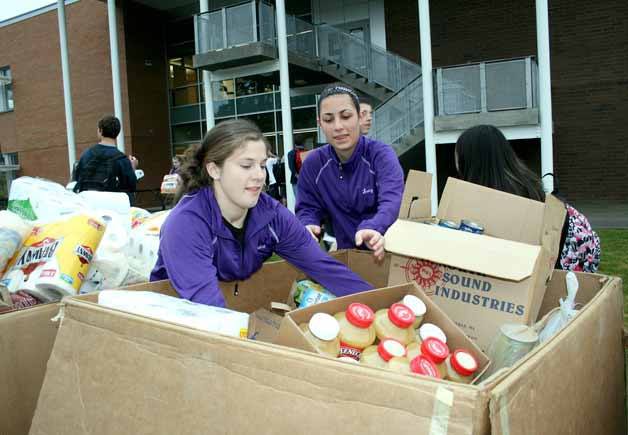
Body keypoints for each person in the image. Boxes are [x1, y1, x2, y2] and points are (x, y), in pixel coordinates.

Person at [150, 119, 373, 307]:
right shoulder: (187, 223)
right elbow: (208, 307)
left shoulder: (272, 216)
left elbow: (323, 267)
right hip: (176, 319)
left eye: (263, 165)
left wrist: (386, 304)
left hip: (229, 310)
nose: (259, 175)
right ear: (214, 169)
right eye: (247, 166)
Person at [455, 124, 601, 273]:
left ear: (471, 161)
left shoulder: (496, 203)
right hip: (576, 261)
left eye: (458, 156)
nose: (456, 162)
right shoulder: (527, 184)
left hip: (556, 267)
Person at [296, 83, 404, 260]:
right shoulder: (314, 164)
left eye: (346, 116)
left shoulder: (381, 155)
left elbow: (392, 200)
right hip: (347, 259)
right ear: (320, 124)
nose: (338, 126)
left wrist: (374, 226)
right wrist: (308, 224)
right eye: (329, 120)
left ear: (360, 117)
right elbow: (307, 207)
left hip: (387, 256)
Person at [73, 115, 139, 204]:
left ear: (100, 131)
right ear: (117, 133)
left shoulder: (87, 154)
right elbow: (131, 187)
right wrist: (132, 168)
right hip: (112, 208)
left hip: (89, 206)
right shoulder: (122, 160)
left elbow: (77, 179)